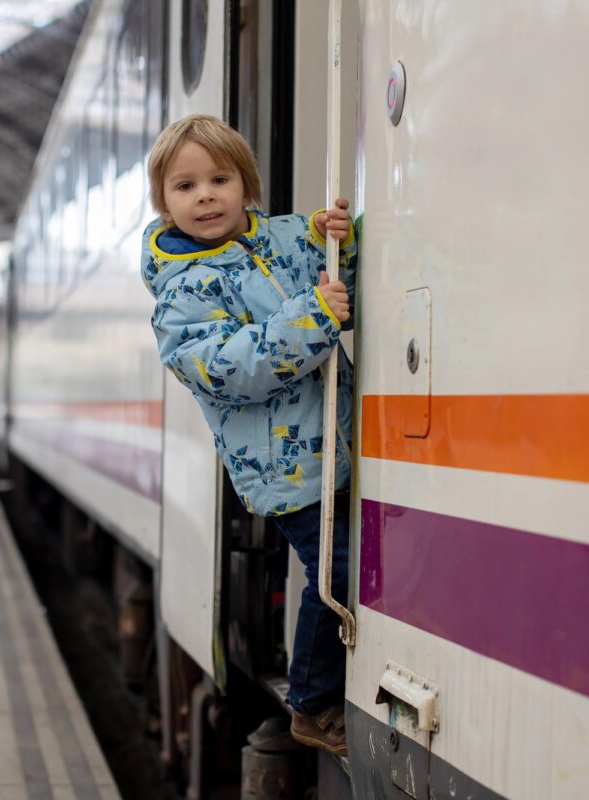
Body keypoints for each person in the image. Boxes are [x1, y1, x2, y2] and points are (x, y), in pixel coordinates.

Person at [141, 114, 356, 756]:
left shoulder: (285, 237)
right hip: (283, 469)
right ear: (164, 203)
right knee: (337, 575)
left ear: (247, 185)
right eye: (184, 186)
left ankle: (321, 695)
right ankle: (312, 706)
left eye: (219, 178)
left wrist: (340, 236)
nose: (205, 195)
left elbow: (343, 274)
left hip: (340, 444)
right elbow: (232, 368)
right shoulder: (179, 296)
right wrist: (314, 316)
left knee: (346, 568)